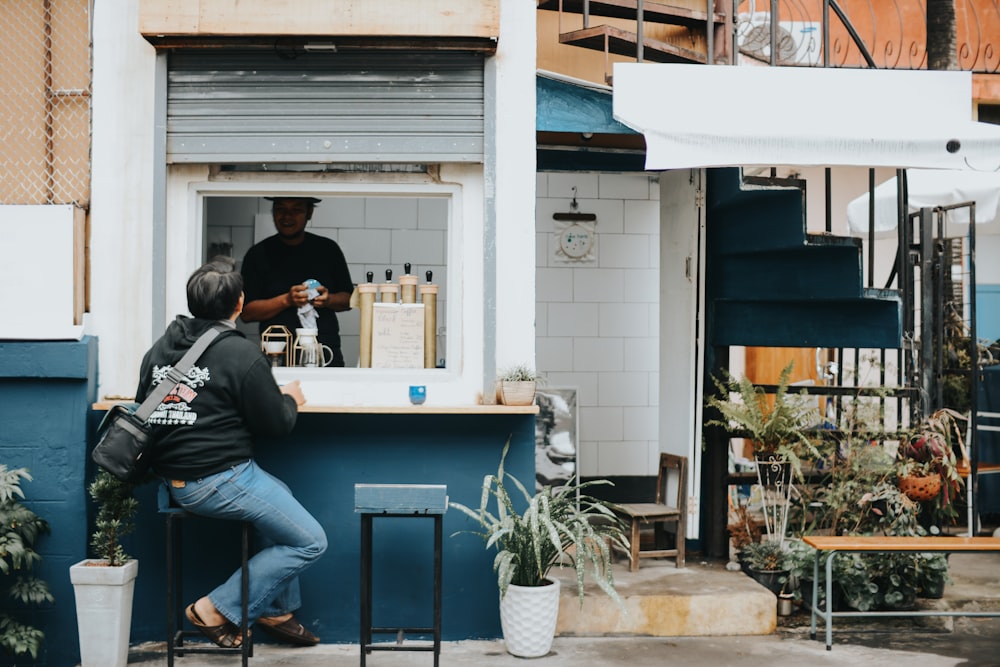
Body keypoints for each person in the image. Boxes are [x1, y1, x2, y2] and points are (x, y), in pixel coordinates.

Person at [135, 258, 327, 648]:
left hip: (174, 479)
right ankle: (215, 607)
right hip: (219, 479)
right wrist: (289, 398)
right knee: (310, 541)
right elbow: (276, 425)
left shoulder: (160, 349)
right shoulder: (241, 354)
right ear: (240, 304)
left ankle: (276, 609)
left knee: (280, 499)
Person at [240, 196, 354, 366]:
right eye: (280, 209)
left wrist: (328, 300)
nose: (287, 216)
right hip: (277, 357)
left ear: (310, 212)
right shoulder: (258, 254)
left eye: (296, 210)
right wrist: (286, 300)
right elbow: (247, 313)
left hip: (325, 354)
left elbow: (349, 300)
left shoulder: (328, 250)